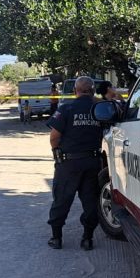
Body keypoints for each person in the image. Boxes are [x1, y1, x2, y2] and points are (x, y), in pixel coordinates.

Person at [46, 76, 103, 251]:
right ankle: (87, 238)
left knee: (62, 199)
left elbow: (55, 136)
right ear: (92, 90)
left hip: (69, 163)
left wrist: (56, 151)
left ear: (74, 91)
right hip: (93, 162)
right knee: (91, 200)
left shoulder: (67, 108)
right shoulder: (100, 109)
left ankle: (56, 238)